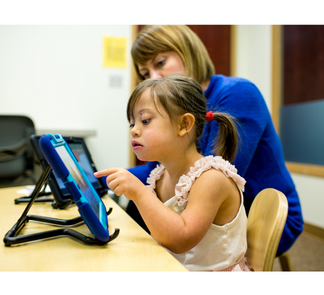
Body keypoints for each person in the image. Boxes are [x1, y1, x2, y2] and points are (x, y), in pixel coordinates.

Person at [126, 25, 303, 256]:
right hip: (210, 208)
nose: (154, 78)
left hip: (262, 216)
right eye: (145, 73)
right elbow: (156, 171)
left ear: (188, 51)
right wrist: (102, 178)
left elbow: (209, 180)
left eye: (160, 63)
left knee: (142, 213)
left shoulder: (239, 93)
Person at [95, 75, 250, 271]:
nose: (134, 130)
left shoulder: (212, 178)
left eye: (145, 120)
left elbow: (181, 239)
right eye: (132, 123)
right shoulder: (160, 177)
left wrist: (139, 192)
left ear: (184, 125)